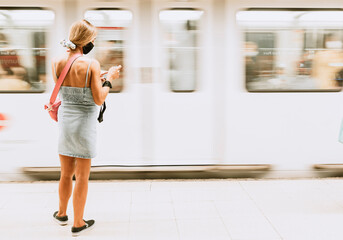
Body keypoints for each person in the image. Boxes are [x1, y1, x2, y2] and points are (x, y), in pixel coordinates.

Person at [51, 19, 121, 237]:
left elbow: (67, 87)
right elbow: (98, 98)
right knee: (81, 177)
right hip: (84, 126)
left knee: (65, 174)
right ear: (86, 40)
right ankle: (78, 222)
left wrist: (96, 79)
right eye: (93, 39)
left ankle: (62, 214)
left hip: (65, 124)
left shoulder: (56, 62)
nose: (94, 42)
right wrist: (109, 79)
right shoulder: (92, 64)